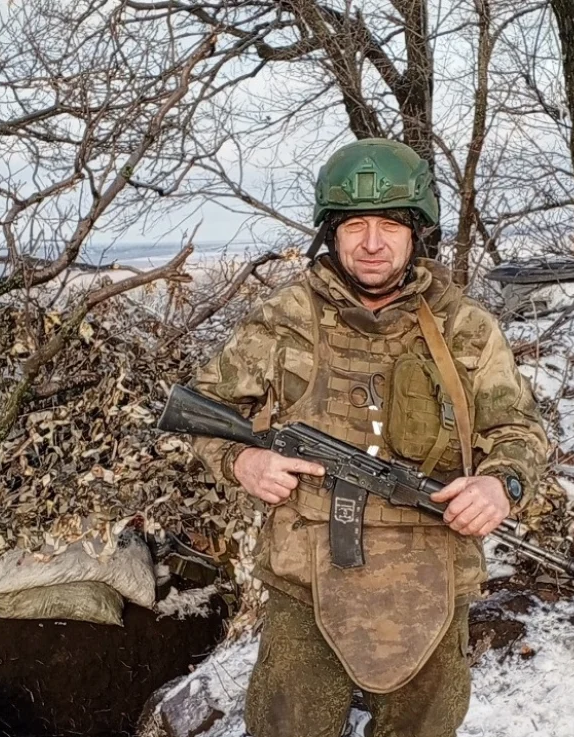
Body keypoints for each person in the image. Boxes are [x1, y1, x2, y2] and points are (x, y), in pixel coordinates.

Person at [189, 138, 549, 737]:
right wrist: (242, 460)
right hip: (306, 575)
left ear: (417, 233)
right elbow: (204, 410)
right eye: (355, 225)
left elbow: (519, 430)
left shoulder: (465, 328)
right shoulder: (285, 319)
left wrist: (500, 484)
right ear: (331, 233)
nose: (373, 242)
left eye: (390, 225)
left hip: (432, 572)